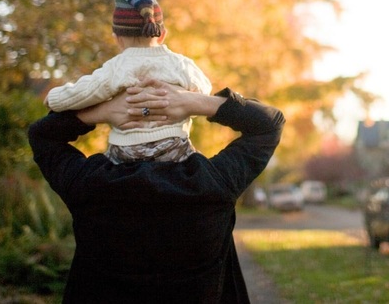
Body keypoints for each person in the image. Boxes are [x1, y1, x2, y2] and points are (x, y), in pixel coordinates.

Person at [28, 78, 285, 303]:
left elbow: (42, 135)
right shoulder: (213, 184)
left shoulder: (89, 186)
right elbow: (269, 123)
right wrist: (193, 102)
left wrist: (101, 111)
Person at [45, 0, 211, 163]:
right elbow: (204, 92)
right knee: (197, 163)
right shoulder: (181, 64)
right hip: (174, 147)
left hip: (126, 151)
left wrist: (54, 98)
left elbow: (84, 92)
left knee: (105, 167)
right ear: (162, 35)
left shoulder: (117, 67)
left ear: (117, 38)